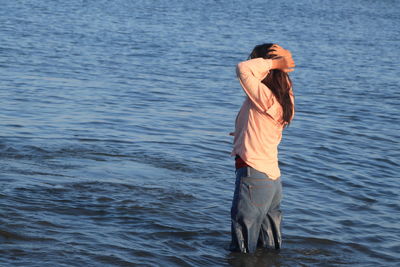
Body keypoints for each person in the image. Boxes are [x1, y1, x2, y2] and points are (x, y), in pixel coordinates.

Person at [229, 43, 295, 253]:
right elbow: (263, 128)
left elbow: (243, 68)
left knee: (242, 247)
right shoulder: (285, 100)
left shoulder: (265, 97)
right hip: (272, 181)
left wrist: (276, 62)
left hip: (254, 177)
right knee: (270, 247)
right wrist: (283, 60)